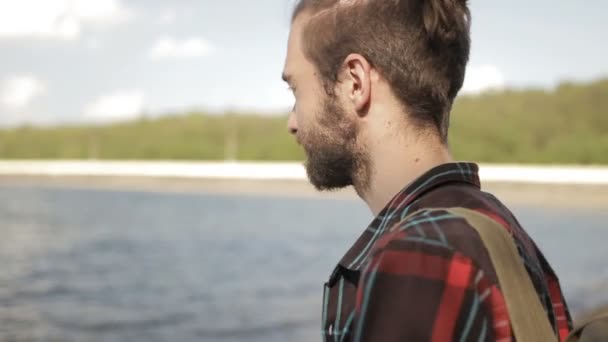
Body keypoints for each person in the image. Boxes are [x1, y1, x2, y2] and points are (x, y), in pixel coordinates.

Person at [281, 0, 572, 341]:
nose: (292, 123)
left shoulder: (419, 253)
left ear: (354, 83)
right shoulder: (497, 225)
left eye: (296, 89)